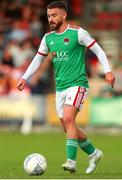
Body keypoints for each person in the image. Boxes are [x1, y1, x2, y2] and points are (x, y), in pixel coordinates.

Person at [17, 1, 115, 174]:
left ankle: (71, 161)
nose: (51, 19)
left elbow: (99, 50)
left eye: (54, 15)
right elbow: (38, 59)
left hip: (78, 84)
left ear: (64, 15)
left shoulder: (78, 33)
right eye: (48, 16)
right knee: (68, 127)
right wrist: (25, 76)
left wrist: (108, 71)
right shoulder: (48, 38)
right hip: (60, 87)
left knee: (69, 119)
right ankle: (93, 153)